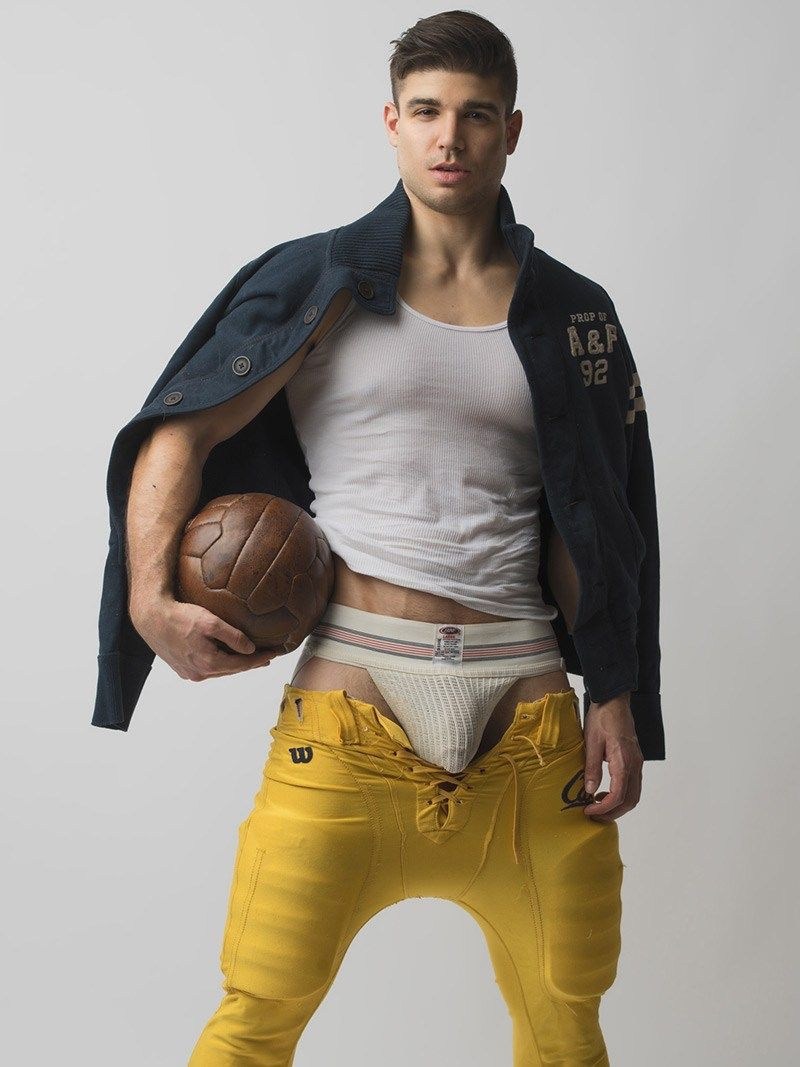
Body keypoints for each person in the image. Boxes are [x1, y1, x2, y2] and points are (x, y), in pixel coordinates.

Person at [107, 11, 664, 1065]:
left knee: (567, 1029)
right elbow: (179, 430)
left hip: (532, 730)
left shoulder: (570, 312)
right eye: (426, 112)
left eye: (475, 114)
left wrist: (618, 694)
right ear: (391, 123)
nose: (449, 137)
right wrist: (148, 598)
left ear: (511, 130)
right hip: (348, 723)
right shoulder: (316, 286)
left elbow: (601, 515)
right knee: (253, 1020)